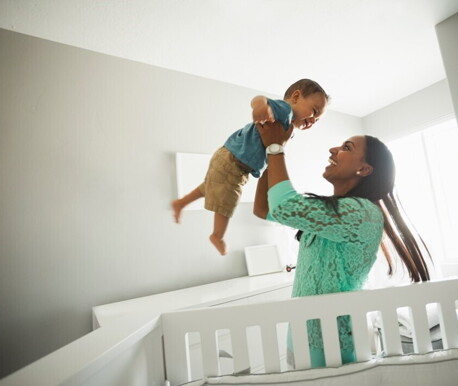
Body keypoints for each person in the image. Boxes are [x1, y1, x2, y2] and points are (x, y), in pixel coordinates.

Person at [253, 121, 431, 368]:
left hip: (333, 345)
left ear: (365, 169)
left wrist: (276, 148)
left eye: (347, 147)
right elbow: (263, 208)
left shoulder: (363, 213)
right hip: (300, 336)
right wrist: (268, 153)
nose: (333, 149)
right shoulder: (329, 212)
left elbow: (283, 206)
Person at [172, 79, 329, 255]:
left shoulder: (288, 126)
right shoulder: (285, 111)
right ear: (296, 97)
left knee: (210, 186)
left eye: (317, 119)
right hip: (234, 159)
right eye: (314, 111)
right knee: (229, 196)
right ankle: (217, 235)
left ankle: (181, 203)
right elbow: (259, 99)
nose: (313, 120)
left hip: (233, 158)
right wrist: (260, 106)